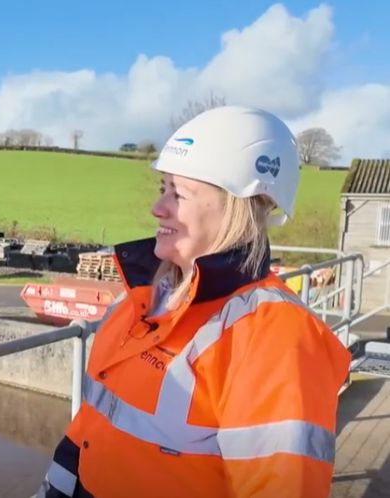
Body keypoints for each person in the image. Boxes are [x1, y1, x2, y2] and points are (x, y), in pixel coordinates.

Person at [37, 106, 351, 498]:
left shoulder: (277, 340)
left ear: (238, 206)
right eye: (162, 188)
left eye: (179, 193)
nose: (158, 208)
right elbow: (89, 432)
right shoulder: (137, 304)